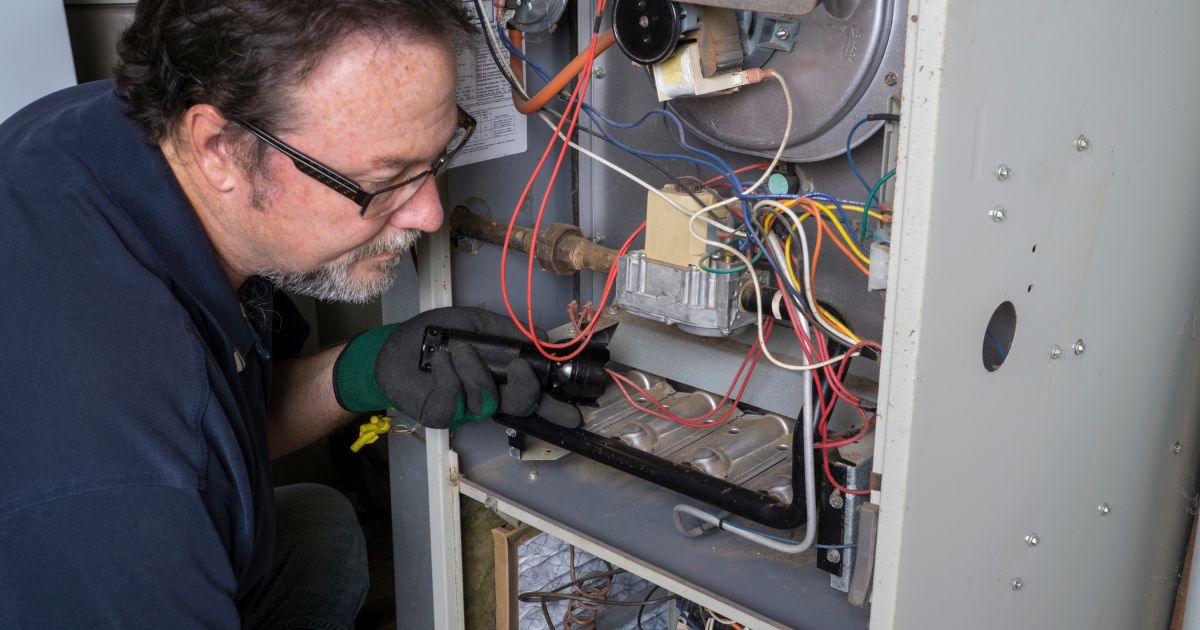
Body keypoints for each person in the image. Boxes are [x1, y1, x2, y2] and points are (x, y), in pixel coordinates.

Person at [0, 0, 577, 627]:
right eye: (384, 179)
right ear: (220, 148)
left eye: (436, 158)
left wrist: (369, 368)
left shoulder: (108, 129)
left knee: (319, 530)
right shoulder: (127, 479)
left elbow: (227, 417)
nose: (429, 215)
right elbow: (173, 442)